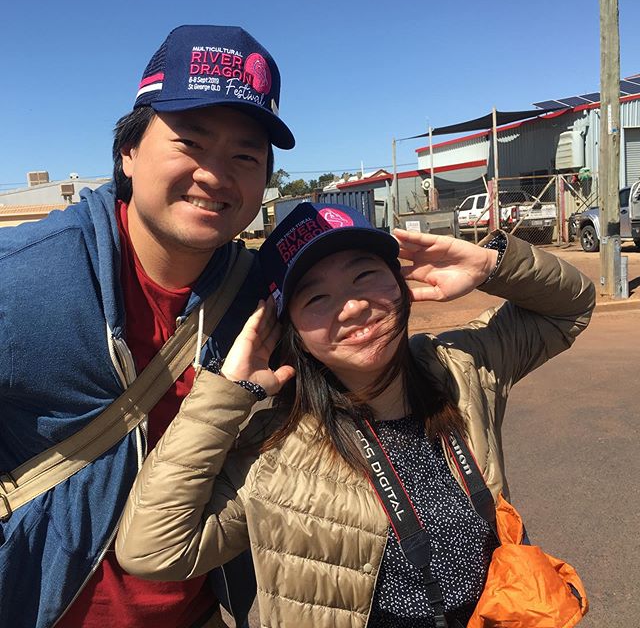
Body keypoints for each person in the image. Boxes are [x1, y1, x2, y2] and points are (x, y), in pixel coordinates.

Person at [115, 202, 595, 627]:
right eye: (316, 298)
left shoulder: (459, 367)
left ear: (399, 281)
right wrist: (222, 394)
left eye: (365, 275)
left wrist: (492, 263)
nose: (352, 307)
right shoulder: (275, 453)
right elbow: (152, 551)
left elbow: (569, 309)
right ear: (290, 329)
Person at [0, 25, 294, 628]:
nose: (216, 174)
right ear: (129, 154)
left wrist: (499, 262)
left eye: (245, 155)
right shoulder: (22, 280)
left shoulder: (265, 296)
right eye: (189, 141)